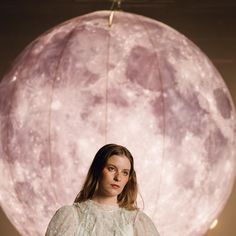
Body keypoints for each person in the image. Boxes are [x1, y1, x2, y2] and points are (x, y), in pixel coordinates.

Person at [45, 143, 160, 236]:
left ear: (129, 179)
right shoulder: (70, 216)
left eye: (125, 173)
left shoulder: (137, 221)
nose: (118, 177)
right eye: (111, 169)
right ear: (98, 170)